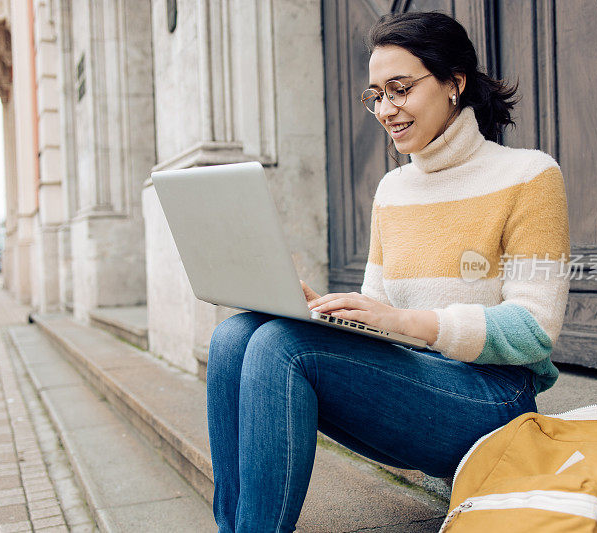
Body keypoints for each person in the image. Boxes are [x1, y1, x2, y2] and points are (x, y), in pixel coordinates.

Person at [206, 11, 571, 532]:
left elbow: (534, 331)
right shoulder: (392, 190)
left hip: (494, 397)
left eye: (400, 89)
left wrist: (406, 322)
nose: (386, 109)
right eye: (376, 95)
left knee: (279, 347)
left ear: (454, 83)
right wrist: (320, 311)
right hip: (413, 380)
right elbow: (376, 315)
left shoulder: (530, 176)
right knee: (236, 334)